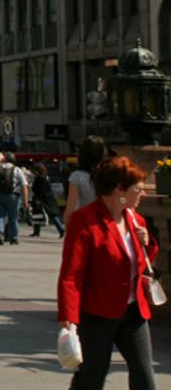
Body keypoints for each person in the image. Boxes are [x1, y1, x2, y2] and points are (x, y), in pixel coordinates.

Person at [57, 156, 158, 390]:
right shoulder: (85, 220)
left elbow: (139, 264)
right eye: (138, 189)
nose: (142, 194)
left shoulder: (135, 219)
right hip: (97, 314)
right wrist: (67, 317)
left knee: (145, 374)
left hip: (134, 313)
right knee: (92, 375)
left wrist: (147, 243)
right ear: (119, 190)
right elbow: (71, 274)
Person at [0, 152, 29, 245]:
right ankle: (14, 237)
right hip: (13, 196)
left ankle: (0, 235)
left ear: (4, 159)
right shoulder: (17, 170)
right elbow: (24, 185)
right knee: (13, 217)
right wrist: (25, 200)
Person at [65, 135, 108, 218]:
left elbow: (70, 209)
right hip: (107, 223)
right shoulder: (110, 174)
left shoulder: (77, 176)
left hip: (85, 223)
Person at [29, 163, 65, 238]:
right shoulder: (47, 177)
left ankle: (37, 231)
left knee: (38, 214)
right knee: (51, 214)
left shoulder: (39, 178)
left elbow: (38, 189)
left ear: (38, 170)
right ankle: (60, 228)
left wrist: (38, 198)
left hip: (41, 198)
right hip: (49, 197)